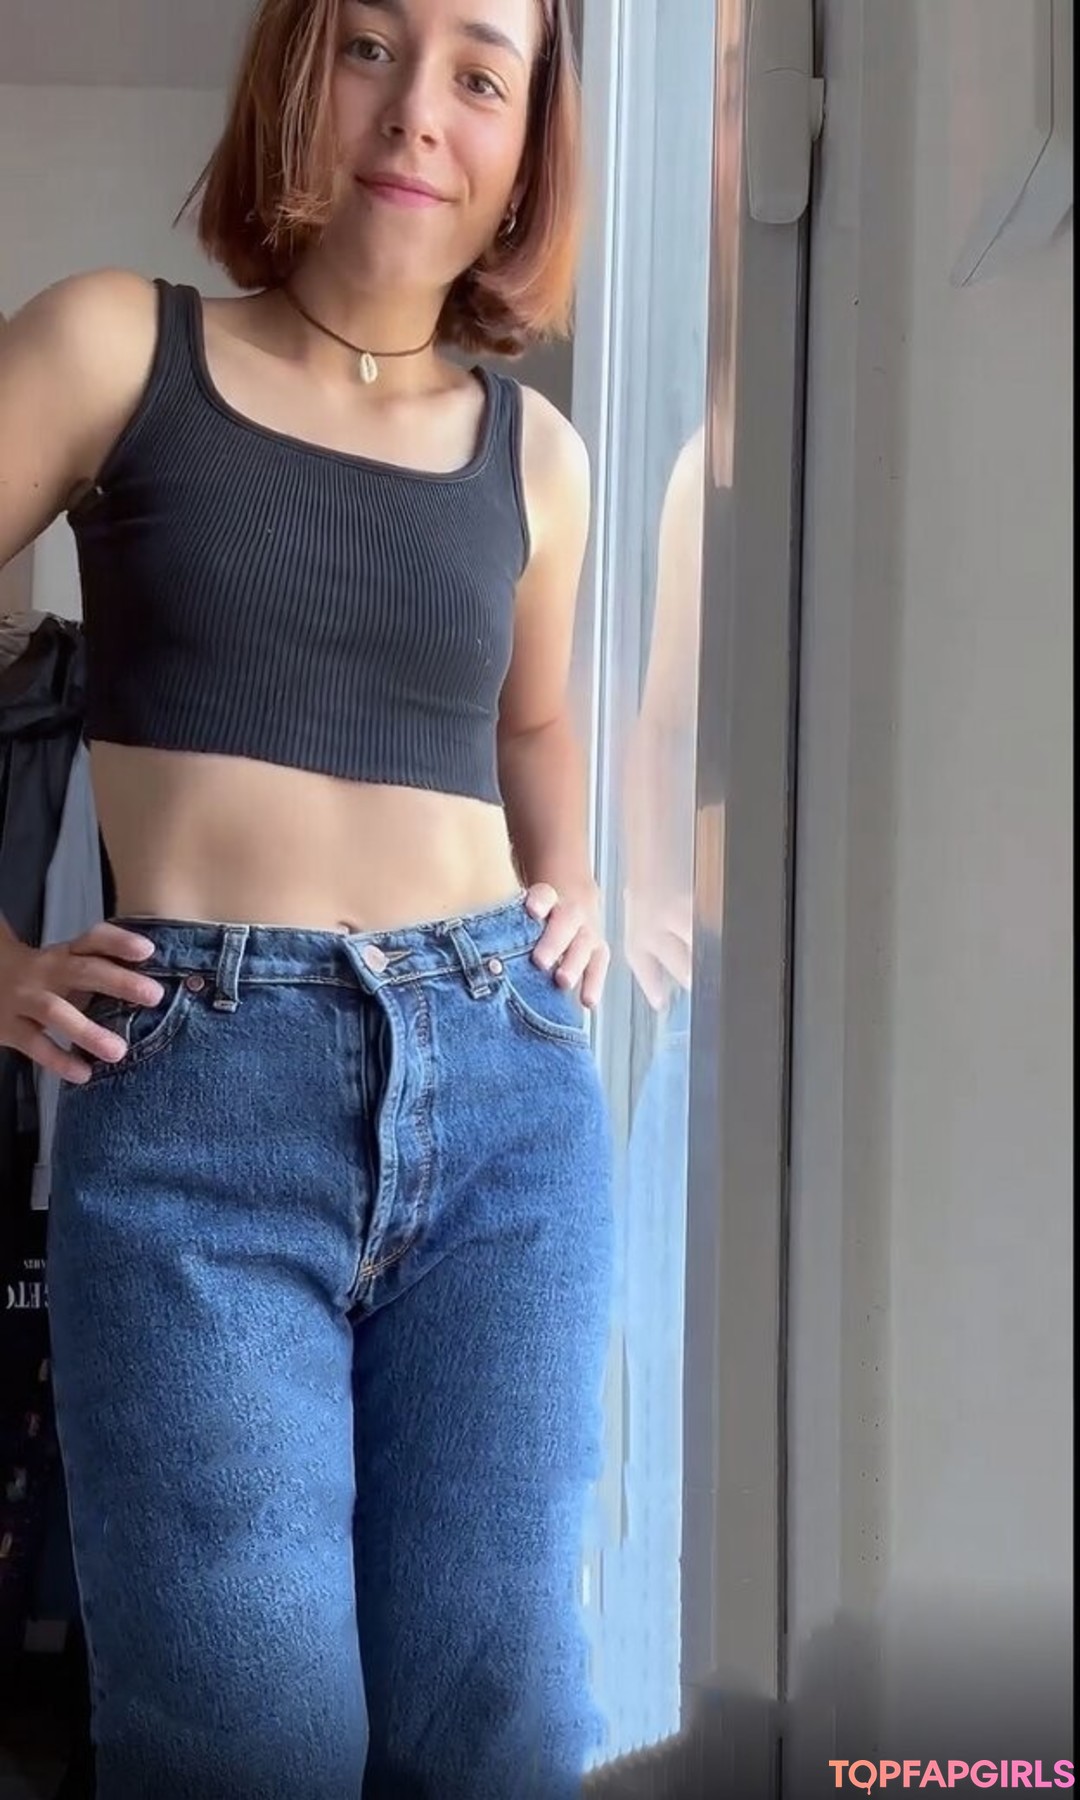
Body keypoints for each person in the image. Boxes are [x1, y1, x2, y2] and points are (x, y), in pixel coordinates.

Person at [0, 2, 614, 1795]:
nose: (419, 110)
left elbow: (536, 719)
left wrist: (573, 878)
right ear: (294, 66)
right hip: (198, 1104)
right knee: (245, 1740)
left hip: (506, 1107)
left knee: (499, 1730)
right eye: (368, 46)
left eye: (482, 74)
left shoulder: (539, 455)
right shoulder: (119, 345)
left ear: (527, 148)